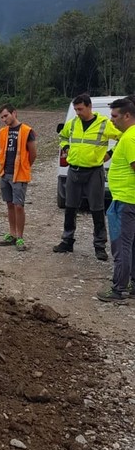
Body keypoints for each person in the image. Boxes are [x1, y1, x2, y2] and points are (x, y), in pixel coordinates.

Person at [53, 93, 121, 261]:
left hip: (94, 172)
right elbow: (62, 136)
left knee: (97, 209)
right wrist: (66, 146)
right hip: (74, 170)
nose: (77, 112)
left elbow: (122, 137)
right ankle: (67, 241)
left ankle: (100, 246)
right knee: (70, 208)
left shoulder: (104, 124)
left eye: (80, 109)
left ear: (89, 107)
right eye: (75, 109)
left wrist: (111, 153)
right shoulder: (73, 123)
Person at [97, 97, 135, 302]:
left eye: (114, 115)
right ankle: (132, 283)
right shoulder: (129, 135)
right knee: (131, 244)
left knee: (121, 246)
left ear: (127, 115)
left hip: (125, 200)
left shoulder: (129, 138)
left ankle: (118, 288)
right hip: (129, 199)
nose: (111, 120)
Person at [0, 103, 37, 252]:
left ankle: (20, 237)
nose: (4, 119)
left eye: (6, 115)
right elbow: (3, 151)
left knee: (19, 206)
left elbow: (33, 153)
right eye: (2, 117)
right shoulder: (2, 132)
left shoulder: (27, 131)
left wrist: (25, 167)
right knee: (9, 204)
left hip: (19, 174)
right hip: (5, 172)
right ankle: (12, 234)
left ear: (15, 113)